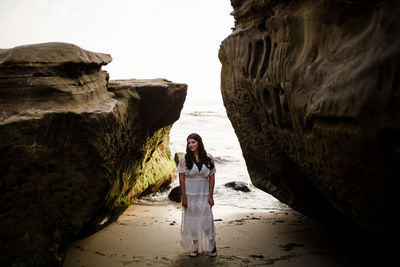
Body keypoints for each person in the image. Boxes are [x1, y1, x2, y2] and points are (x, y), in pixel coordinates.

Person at [178, 133, 217, 257]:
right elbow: (182, 179)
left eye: (193, 142)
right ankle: (195, 247)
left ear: (199, 142)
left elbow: (211, 177)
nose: (190, 145)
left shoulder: (209, 157)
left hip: (204, 194)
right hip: (190, 195)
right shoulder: (184, 159)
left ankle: (211, 246)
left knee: (207, 220)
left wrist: (210, 196)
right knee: (192, 220)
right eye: (189, 143)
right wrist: (184, 197)